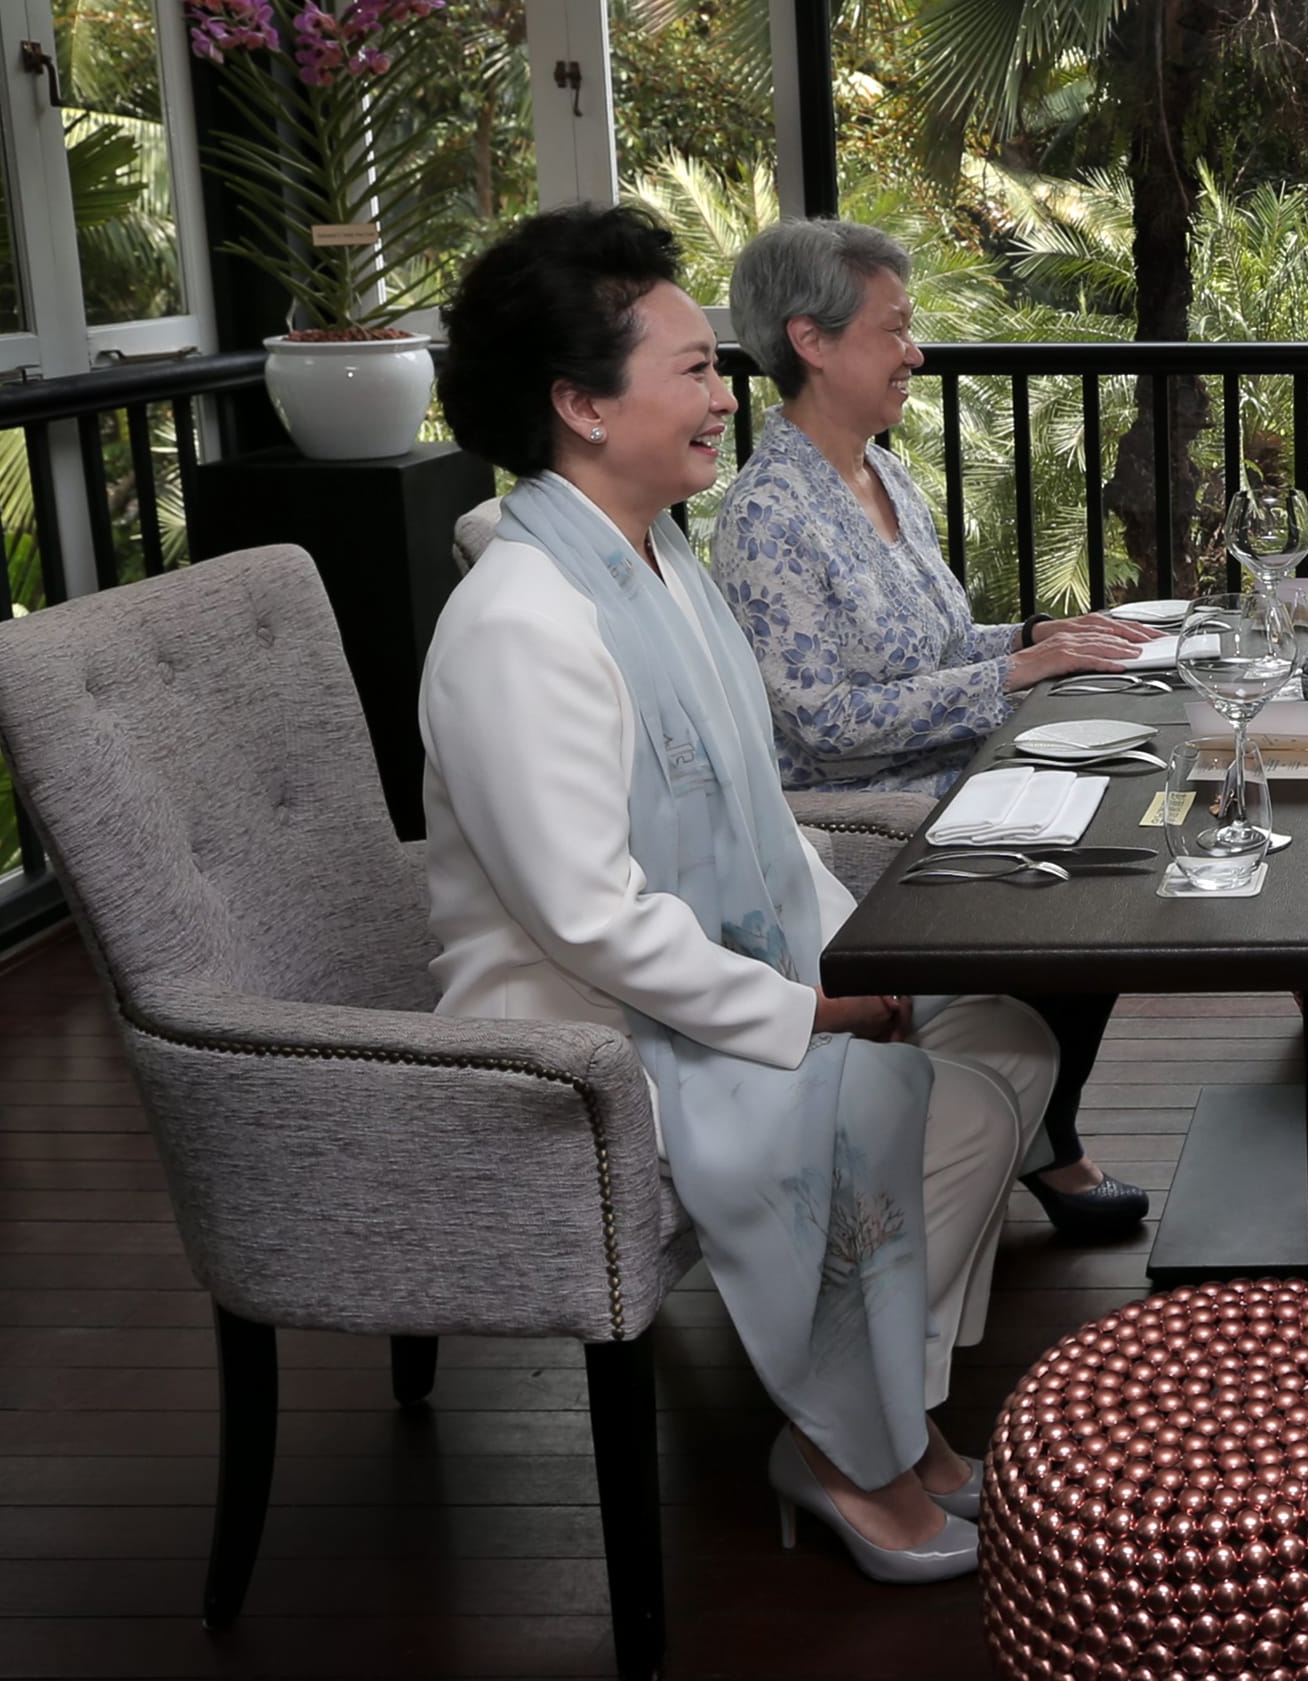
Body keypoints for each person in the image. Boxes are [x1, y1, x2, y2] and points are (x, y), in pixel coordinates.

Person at [418, 206, 1056, 1586]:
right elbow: (590, 921)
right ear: (580, 404)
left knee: (999, 1037)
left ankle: (897, 1421)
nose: (726, 394)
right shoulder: (524, 620)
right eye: (696, 369)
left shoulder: (657, 563)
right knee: (894, 1089)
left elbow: (761, 824)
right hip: (584, 1039)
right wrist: (812, 1011)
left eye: (720, 366)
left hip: (693, 984)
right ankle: (841, 1450)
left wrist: (860, 960)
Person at [709, 217, 1155, 1246]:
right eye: (895, 329)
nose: (916, 352)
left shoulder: (877, 470)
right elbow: (819, 722)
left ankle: (1038, 1128)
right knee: (1103, 869)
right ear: (811, 341)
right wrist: (1014, 671)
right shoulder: (768, 516)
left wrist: (1042, 634)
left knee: (1124, 815)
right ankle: (1046, 1139)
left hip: (961, 763)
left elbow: (939, 643)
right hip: (867, 809)